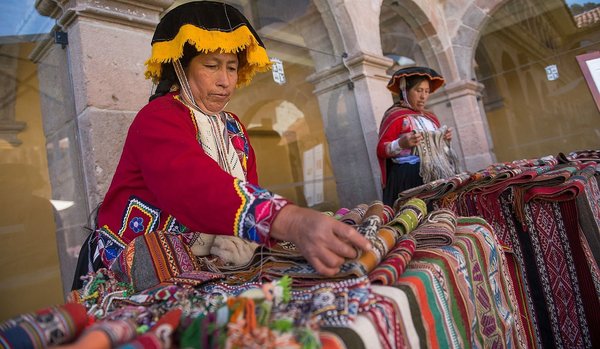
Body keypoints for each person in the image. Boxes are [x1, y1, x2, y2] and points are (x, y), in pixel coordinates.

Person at [72, 0, 370, 290]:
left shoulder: (234, 128)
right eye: (212, 65)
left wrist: (251, 240)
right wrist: (289, 220)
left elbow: (245, 189)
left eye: (231, 67)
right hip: (137, 266)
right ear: (180, 68)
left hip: (209, 265)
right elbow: (193, 184)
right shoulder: (157, 118)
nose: (225, 81)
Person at [376, 66, 459, 207]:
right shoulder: (395, 116)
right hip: (409, 178)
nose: (423, 96)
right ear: (405, 91)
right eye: (418, 90)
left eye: (427, 92)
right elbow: (381, 149)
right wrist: (400, 144)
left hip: (437, 176)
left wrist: (444, 140)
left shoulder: (431, 118)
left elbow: (439, 149)